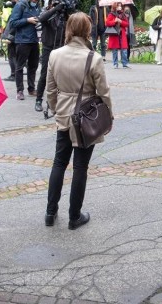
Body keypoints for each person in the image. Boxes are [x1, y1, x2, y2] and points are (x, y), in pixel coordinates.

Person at [45, 13, 113, 230]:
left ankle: (50, 211)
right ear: (87, 30)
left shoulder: (55, 55)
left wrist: (58, 109)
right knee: (80, 167)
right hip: (86, 117)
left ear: (69, 29)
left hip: (64, 115)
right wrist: (108, 116)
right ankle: (75, 216)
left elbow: (50, 89)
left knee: (59, 163)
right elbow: (103, 92)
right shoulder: (93, 58)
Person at [35, 0, 72, 115]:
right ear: (51, 3)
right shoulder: (47, 13)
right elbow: (42, 19)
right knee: (44, 74)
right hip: (48, 47)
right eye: (55, 3)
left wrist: (66, 11)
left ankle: (60, 100)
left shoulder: (65, 16)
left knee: (62, 74)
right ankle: (39, 100)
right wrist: (55, 9)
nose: (58, 6)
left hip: (61, 47)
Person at [7, 0, 42, 100]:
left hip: (34, 40)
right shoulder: (20, 6)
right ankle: (20, 91)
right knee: (20, 67)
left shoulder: (36, 7)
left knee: (33, 66)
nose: (35, 1)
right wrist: (27, 20)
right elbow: (13, 23)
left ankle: (31, 89)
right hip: (22, 41)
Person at [1, 0, 21, 81]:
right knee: (14, 55)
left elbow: (12, 23)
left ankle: (14, 74)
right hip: (14, 34)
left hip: (13, 35)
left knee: (12, 55)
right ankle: (16, 73)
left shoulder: (18, 7)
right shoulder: (18, 6)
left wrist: (10, 36)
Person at [105, 2, 130, 68]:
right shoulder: (111, 14)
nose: (120, 7)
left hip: (122, 34)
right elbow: (107, 23)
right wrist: (115, 21)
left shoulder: (123, 14)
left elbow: (127, 24)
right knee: (114, 50)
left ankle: (124, 63)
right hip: (114, 34)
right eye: (118, 6)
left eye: (120, 6)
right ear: (115, 7)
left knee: (124, 49)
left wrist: (120, 21)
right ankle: (115, 63)